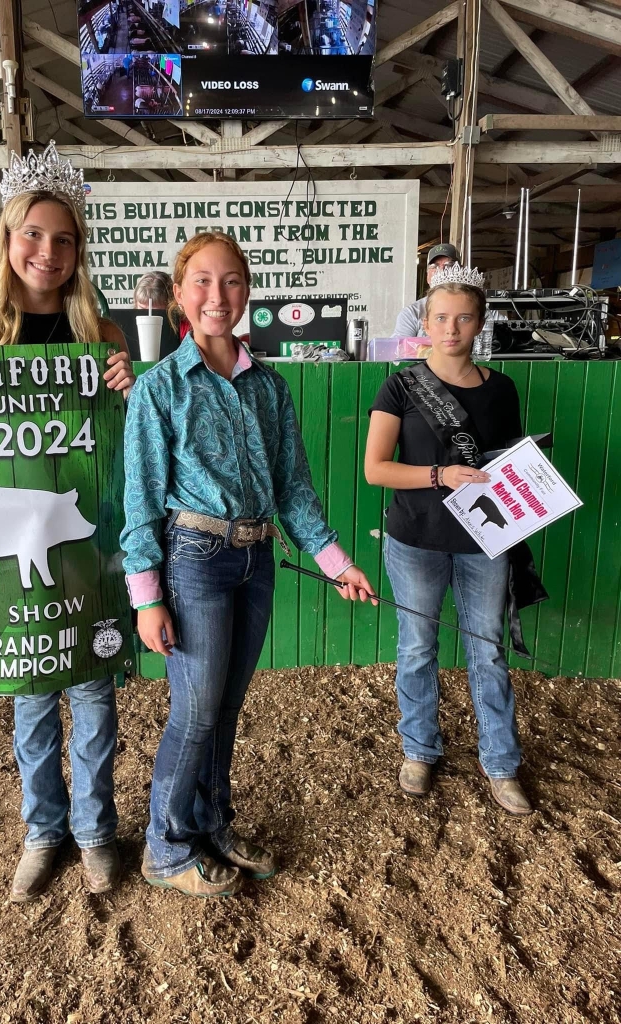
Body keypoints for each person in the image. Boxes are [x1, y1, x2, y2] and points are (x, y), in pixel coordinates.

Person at [122, 232, 377, 898]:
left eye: (231, 280)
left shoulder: (268, 387)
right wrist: (147, 596)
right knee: (195, 712)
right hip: (194, 559)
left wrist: (335, 563)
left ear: (247, 293)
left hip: (255, 557)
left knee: (225, 709)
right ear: (179, 294)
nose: (217, 294)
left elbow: (292, 485)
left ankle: (211, 825)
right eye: (201, 281)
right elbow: (141, 495)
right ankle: (166, 846)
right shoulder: (159, 390)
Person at [0, 141, 135, 901]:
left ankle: (94, 832)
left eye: (63, 239)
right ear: (7, 239)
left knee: (92, 697)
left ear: (78, 251)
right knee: (30, 698)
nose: (47, 251)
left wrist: (126, 389)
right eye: (33, 234)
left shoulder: (103, 333)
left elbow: (130, 448)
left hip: (82, 542)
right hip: (5, 538)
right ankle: (41, 830)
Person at [365, 265, 533, 817]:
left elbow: (508, 466)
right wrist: (442, 475)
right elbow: (376, 469)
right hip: (416, 537)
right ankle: (419, 748)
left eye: (463, 318)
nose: (452, 328)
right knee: (417, 646)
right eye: (441, 318)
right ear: (426, 323)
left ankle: (502, 763)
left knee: (487, 646)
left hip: (485, 539)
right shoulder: (401, 385)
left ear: (480, 324)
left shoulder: (501, 389)